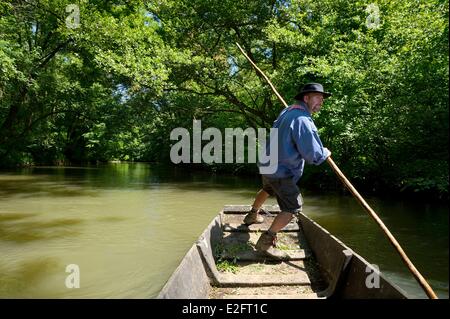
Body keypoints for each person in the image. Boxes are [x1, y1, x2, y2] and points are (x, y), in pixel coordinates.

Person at [243, 83, 332, 259]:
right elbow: (313, 155)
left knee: (268, 188)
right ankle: (265, 243)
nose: (321, 102)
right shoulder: (302, 120)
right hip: (281, 171)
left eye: (322, 99)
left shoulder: (288, 111)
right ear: (306, 98)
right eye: (318, 98)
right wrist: (325, 152)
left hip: (268, 165)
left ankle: (252, 215)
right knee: (293, 208)